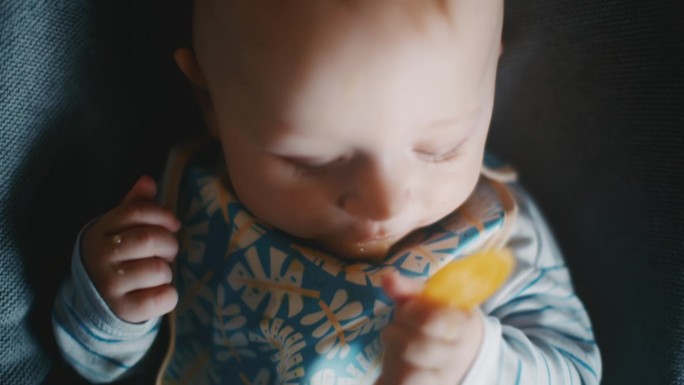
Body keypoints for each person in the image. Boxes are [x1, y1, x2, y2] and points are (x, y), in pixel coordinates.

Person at [52, 0, 602, 384]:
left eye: (440, 148)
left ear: (488, 84)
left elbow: (576, 370)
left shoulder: (499, 241)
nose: (383, 203)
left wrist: (476, 365)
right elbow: (100, 367)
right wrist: (111, 308)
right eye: (311, 161)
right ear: (210, 101)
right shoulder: (187, 209)